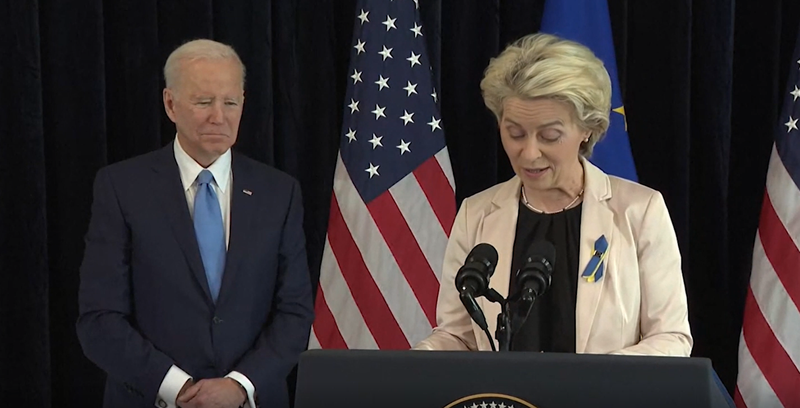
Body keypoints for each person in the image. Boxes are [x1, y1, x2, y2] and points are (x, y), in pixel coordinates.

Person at [413, 33, 692, 356]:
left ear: (587, 128)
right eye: (515, 133)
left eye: (549, 136)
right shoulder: (476, 214)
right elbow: (459, 337)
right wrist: (419, 361)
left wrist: (589, 379)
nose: (530, 153)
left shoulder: (639, 211)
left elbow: (671, 338)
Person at [76, 39, 314, 408]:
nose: (218, 116)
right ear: (170, 104)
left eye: (230, 102)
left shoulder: (279, 193)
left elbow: (294, 313)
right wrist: (180, 388)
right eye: (204, 102)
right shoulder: (121, 189)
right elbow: (99, 318)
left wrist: (239, 386)